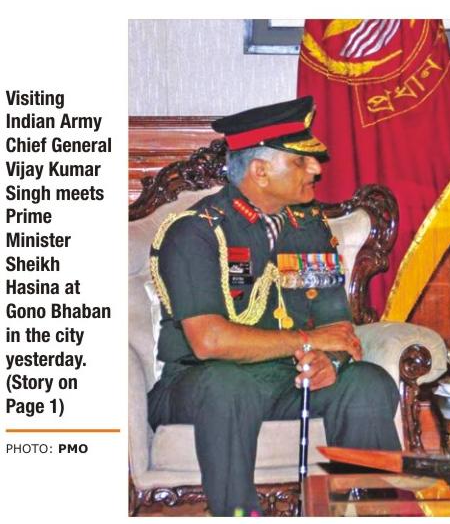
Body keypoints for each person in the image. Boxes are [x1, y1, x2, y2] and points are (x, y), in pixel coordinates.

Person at [146, 97, 401, 516]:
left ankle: (376, 512)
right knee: (228, 387)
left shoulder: (308, 229)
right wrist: (308, 341)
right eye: (300, 161)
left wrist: (330, 362)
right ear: (260, 171)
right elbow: (209, 341)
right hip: (200, 383)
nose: (316, 168)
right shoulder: (197, 232)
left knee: (368, 383)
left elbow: (337, 328)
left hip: (286, 380)